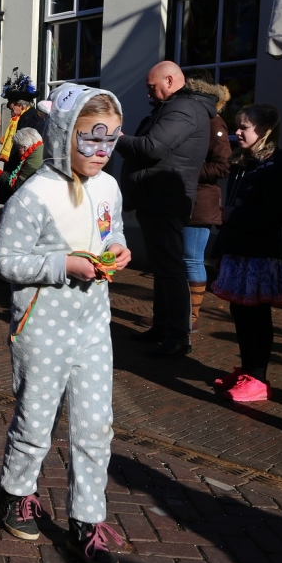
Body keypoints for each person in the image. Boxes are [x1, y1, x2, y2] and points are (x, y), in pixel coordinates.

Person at [0, 82, 131, 563]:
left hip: (93, 326)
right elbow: (6, 260)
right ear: (64, 134)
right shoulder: (35, 195)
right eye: (90, 139)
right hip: (42, 324)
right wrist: (63, 265)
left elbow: (112, 228)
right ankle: (16, 491)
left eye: (110, 140)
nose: (101, 151)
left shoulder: (108, 185)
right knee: (36, 420)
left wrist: (118, 247)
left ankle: (87, 521)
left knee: (95, 427)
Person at [115, 60, 215, 357]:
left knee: (170, 268)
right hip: (157, 196)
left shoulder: (184, 109)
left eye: (152, 87)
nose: (149, 94)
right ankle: (163, 326)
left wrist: (117, 138)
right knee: (162, 267)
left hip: (164, 198)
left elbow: (152, 147)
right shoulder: (175, 107)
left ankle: (178, 335)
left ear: (170, 81)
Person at [212, 105, 282, 402]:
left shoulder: (277, 166)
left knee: (256, 316)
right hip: (237, 249)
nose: (237, 132)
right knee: (240, 312)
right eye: (237, 126)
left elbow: (278, 214)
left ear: (265, 131)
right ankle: (247, 370)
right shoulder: (244, 162)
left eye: (244, 127)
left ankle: (258, 378)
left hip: (259, 253)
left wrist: (234, 216)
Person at [181, 69, 232, 332]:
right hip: (184, 199)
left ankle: (191, 317)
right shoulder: (194, 118)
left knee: (192, 259)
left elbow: (222, 166)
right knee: (181, 260)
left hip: (201, 202)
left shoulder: (213, 122)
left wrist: (185, 170)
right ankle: (174, 315)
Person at [0, 68, 46, 169]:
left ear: (20, 104)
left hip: (24, 171)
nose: (8, 106)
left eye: (10, 102)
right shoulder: (19, 119)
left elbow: (33, 153)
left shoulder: (34, 121)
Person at [0, 127, 44, 205]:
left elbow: (16, 187)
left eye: (18, 149)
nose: (18, 153)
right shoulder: (41, 150)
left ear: (25, 148)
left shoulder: (32, 162)